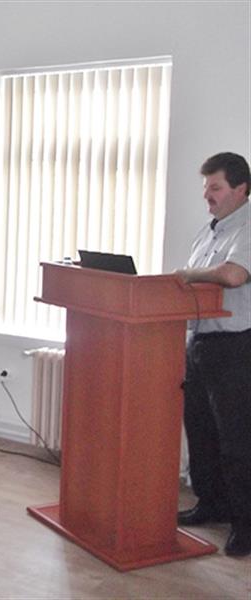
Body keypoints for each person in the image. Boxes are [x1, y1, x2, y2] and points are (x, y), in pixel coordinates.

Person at [174, 152, 251, 558]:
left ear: (240, 189)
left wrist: (189, 275)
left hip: (236, 346)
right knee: (201, 431)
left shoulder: (248, 227)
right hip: (201, 342)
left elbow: (234, 275)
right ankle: (212, 503)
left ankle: (246, 524)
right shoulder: (208, 233)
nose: (207, 195)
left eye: (215, 188)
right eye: (206, 188)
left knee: (237, 440)